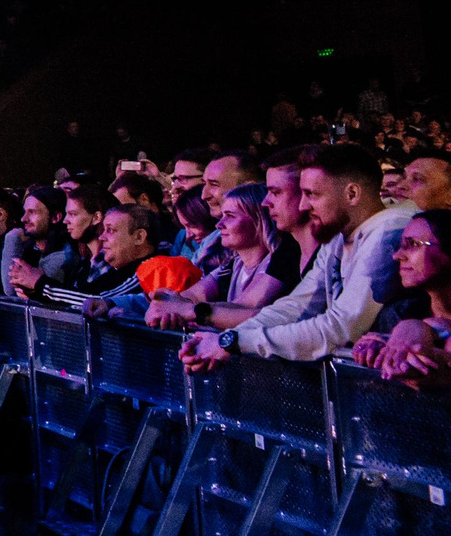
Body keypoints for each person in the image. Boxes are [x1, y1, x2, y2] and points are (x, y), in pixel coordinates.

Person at [183, 143, 416, 371]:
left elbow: (341, 326)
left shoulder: (390, 230)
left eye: (311, 194)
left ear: (352, 193)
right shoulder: (339, 234)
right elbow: (298, 306)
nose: (304, 205)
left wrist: (236, 343)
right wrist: (231, 337)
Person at [147, 184, 299, 333]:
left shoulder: (278, 263)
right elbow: (193, 295)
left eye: (230, 216)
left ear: (259, 220)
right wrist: (164, 304)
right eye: (222, 216)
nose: (220, 224)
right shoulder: (233, 265)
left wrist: (190, 310)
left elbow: (245, 308)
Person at [354, 211, 451, 388]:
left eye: (412, 244)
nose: (397, 255)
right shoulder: (397, 314)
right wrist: (375, 353)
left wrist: (421, 327)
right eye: (400, 246)